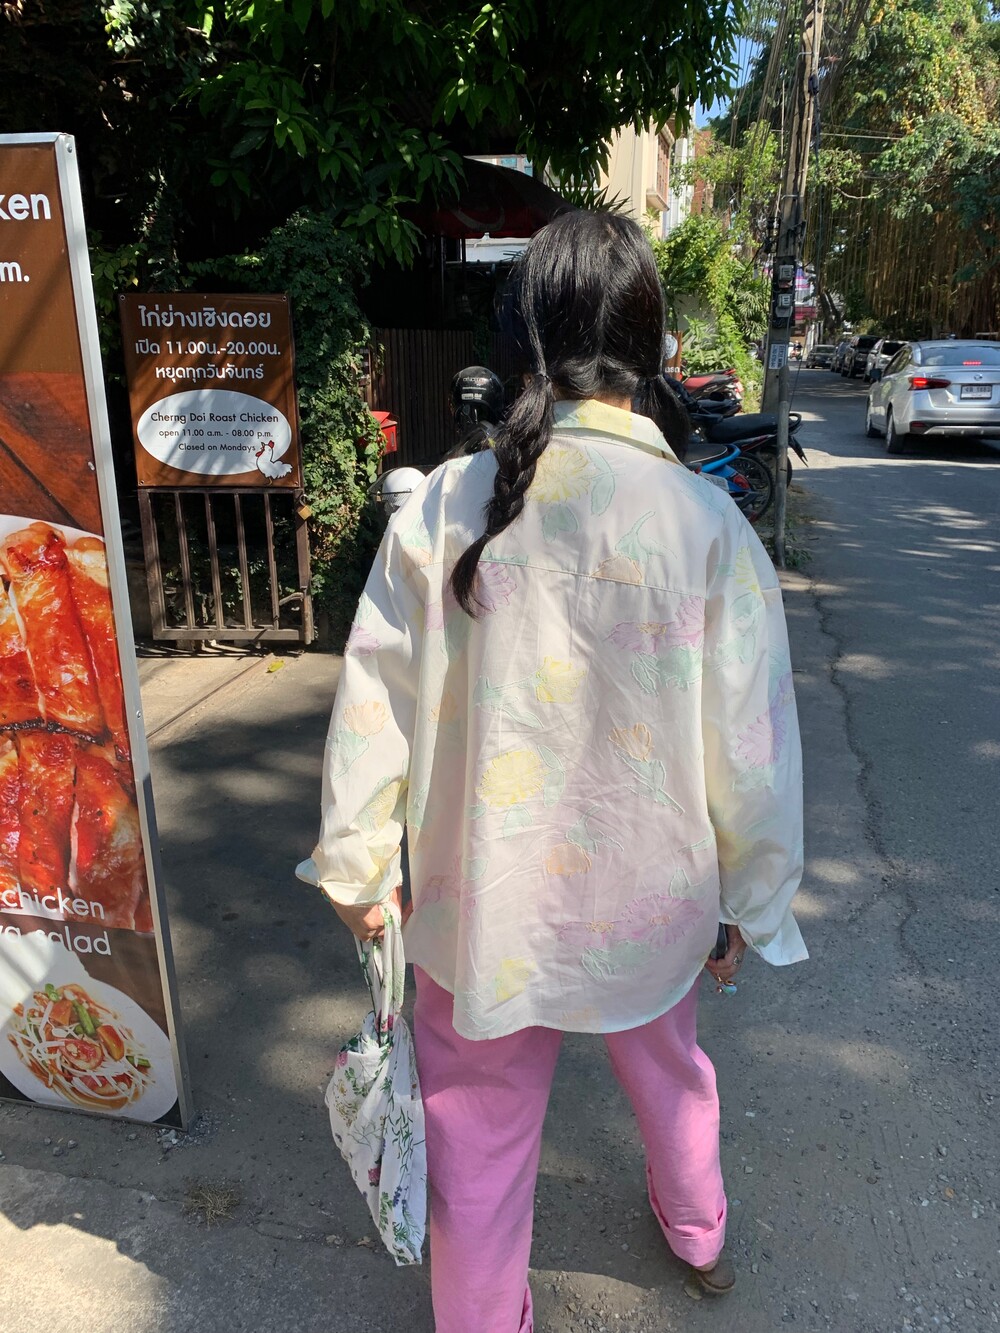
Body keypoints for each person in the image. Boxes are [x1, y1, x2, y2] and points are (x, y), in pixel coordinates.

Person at [299, 210, 807, 1332]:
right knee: (671, 1072)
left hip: (483, 900)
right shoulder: (708, 525)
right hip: (651, 895)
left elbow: (375, 695)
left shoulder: (445, 504)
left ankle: (482, 1318)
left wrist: (357, 864)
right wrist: (750, 898)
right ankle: (699, 1230)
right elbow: (753, 741)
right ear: (653, 346)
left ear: (522, 339)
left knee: (476, 1132)